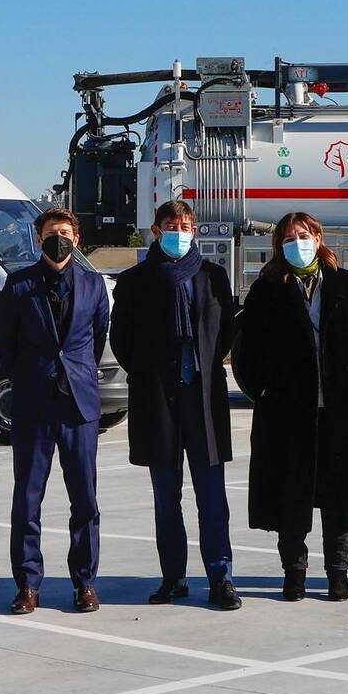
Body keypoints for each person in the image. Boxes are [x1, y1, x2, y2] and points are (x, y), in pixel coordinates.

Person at [235, 212, 348, 602]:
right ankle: (294, 574)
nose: (297, 243)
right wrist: (262, 391)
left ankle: (338, 572)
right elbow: (245, 351)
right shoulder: (266, 290)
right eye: (288, 238)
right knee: (291, 498)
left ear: (318, 238)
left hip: (341, 410)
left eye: (303, 235)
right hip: (287, 413)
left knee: (339, 497)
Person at [110, 200, 242, 610]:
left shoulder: (212, 276)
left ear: (195, 229)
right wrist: (150, 375)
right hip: (158, 403)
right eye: (171, 225)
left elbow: (225, 333)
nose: (179, 231)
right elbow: (122, 340)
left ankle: (220, 578)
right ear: (155, 230)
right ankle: (174, 578)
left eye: (185, 225)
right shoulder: (135, 280)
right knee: (166, 499)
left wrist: (203, 364)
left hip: (203, 399)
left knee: (212, 498)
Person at [0, 207, 109, 614]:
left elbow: (95, 340)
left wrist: (73, 374)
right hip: (33, 404)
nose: (57, 238)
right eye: (50, 232)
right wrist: (31, 378)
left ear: (76, 239)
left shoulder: (94, 285)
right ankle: (27, 585)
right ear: (37, 237)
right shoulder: (18, 284)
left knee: (85, 500)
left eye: (64, 232)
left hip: (79, 404)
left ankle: (85, 583)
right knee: (27, 500)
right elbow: (6, 347)